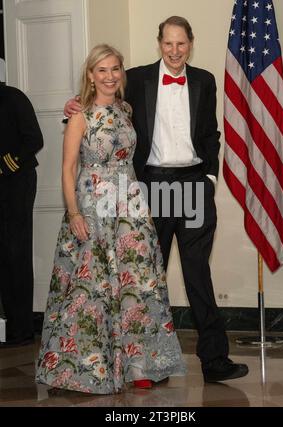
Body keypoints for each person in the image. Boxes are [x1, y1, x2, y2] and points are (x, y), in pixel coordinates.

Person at [64, 16, 249, 383]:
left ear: (190, 44)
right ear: (159, 43)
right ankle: (151, 363)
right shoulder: (135, 78)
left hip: (194, 185)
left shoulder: (204, 80)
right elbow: (101, 107)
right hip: (151, 189)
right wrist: (73, 106)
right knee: (149, 279)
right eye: (168, 43)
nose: (175, 51)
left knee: (198, 274)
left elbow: (212, 134)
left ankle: (215, 361)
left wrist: (209, 179)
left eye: (181, 44)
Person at [35, 44, 185, 395]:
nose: (109, 76)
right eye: (101, 70)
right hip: (92, 206)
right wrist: (74, 213)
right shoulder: (79, 115)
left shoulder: (126, 108)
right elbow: (68, 168)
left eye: (115, 68)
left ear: (122, 73)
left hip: (129, 204)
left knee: (137, 284)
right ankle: (85, 366)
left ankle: (138, 364)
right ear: (90, 75)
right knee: (93, 288)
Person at [0, 83, 43, 348]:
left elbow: (34, 140)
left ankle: (22, 329)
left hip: (16, 183)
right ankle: (10, 326)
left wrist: (4, 165)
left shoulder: (13, 97)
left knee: (16, 253)